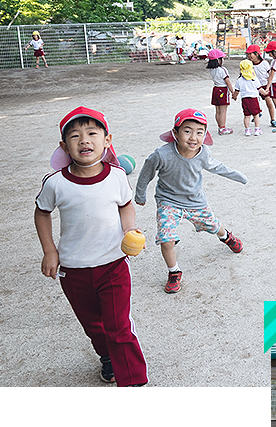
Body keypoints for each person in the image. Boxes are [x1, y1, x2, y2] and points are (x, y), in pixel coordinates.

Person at [34, 106, 148, 386]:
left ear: (107, 140)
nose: (84, 140)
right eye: (75, 136)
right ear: (64, 146)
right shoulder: (56, 183)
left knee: (119, 325)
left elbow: (126, 205)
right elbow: (42, 212)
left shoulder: (117, 176)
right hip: (73, 270)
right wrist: (50, 250)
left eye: (92, 133)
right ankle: (107, 356)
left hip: (113, 263)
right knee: (93, 324)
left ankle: (133, 379)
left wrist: (129, 228)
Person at [135, 109, 246, 293]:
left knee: (212, 225)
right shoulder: (162, 154)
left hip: (195, 201)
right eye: (187, 131)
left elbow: (217, 166)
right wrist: (140, 194)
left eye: (199, 132)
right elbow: (147, 171)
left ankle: (225, 236)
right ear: (175, 132)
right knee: (166, 238)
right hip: (168, 200)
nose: (193, 137)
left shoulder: (203, 153)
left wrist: (238, 176)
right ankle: (174, 272)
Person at [233, 46, 264, 136]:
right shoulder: (254, 79)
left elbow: (236, 91)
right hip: (254, 99)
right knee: (256, 115)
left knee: (246, 115)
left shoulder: (240, 80)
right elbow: (260, 89)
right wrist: (265, 93)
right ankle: (257, 129)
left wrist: (234, 96)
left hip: (244, 99)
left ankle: (247, 130)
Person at [206, 48, 235, 135]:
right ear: (219, 60)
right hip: (223, 90)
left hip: (215, 89)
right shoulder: (223, 70)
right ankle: (223, 128)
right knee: (223, 111)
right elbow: (228, 81)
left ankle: (220, 126)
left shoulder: (212, 70)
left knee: (218, 110)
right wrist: (233, 92)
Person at [253, 47, 276, 127]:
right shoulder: (249, 64)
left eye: (250, 54)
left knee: (269, 103)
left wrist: (269, 81)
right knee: (254, 103)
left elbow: (270, 72)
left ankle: (272, 119)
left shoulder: (264, 63)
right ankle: (257, 114)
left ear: (257, 54)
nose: (249, 56)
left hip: (264, 85)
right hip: (254, 86)